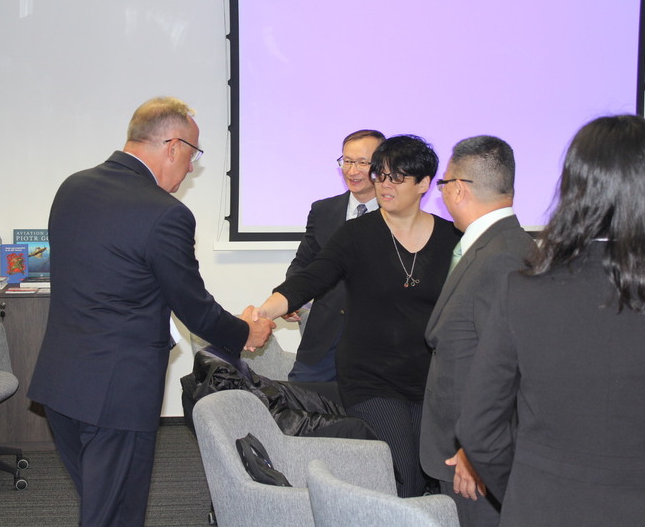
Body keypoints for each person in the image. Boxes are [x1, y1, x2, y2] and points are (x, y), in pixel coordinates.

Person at [457, 115, 645, 527]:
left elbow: (478, 430)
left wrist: (529, 491)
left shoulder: (523, 293)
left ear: (575, 190)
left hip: (540, 509)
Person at [28, 96, 274, 527]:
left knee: (99, 506)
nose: (192, 169)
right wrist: (245, 331)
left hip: (61, 384)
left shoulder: (73, 187)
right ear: (173, 146)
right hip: (116, 393)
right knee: (114, 516)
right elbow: (194, 308)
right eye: (194, 155)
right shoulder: (166, 214)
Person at [256, 135, 461, 497]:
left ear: (424, 184)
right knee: (404, 475)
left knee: (431, 473)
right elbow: (310, 279)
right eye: (380, 175)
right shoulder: (356, 234)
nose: (384, 185)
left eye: (396, 178)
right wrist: (262, 311)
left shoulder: (450, 238)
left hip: (427, 379)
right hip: (370, 378)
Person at [420, 135, 534, 526]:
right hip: (463, 448)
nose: (443, 192)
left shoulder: (501, 257)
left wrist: (476, 451)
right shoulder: (494, 245)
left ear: (460, 190)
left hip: (473, 458)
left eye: (444, 183)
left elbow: (511, 368)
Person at [285, 129, 385, 382]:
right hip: (322, 342)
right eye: (347, 161)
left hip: (378, 347)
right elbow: (302, 264)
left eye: (363, 163)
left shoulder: (397, 215)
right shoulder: (323, 210)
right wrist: (290, 297)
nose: (352, 171)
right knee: (299, 407)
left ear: (382, 166)